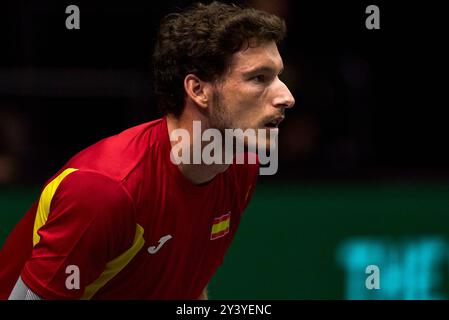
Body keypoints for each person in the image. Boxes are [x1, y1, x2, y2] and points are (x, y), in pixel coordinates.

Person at [0, 1, 295, 300]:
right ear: (198, 90)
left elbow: (187, 285)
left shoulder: (239, 165)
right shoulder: (106, 191)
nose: (287, 96)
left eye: (279, 77)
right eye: (259, 78)